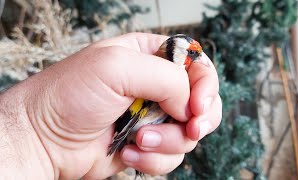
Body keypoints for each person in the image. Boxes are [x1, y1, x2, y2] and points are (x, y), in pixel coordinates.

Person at [0, 33, 221, 179]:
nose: (198, 57)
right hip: (123, 131)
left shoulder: (167, 74)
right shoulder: (157, 76)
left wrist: (36, 138)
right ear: (177, 52)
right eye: (192, 53)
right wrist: (37, 134)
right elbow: (137, 109)